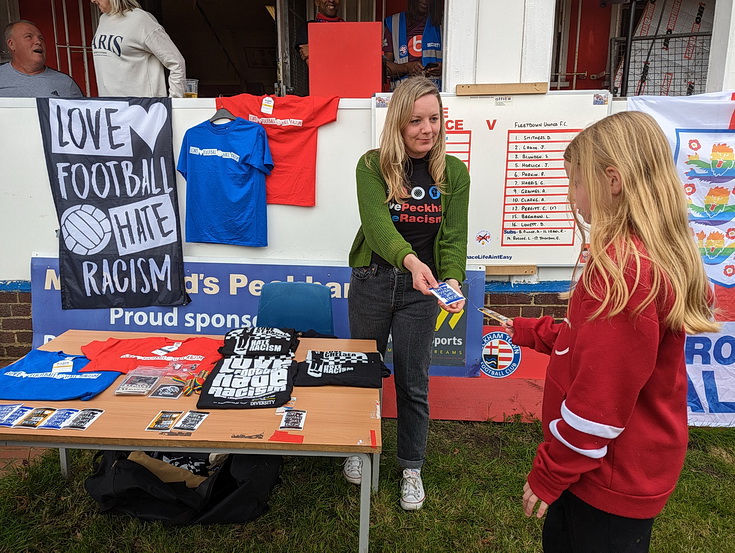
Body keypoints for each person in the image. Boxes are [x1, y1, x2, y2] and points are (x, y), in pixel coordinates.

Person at [501, 111, 719, 552]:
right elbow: (590, 345)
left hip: (604, 478)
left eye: (576, 181)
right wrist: (527, 329)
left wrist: (549, 473)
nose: (572, 195)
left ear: (612, 181)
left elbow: (597, 408)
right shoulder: (641, 258)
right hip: (617, 469)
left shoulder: (623, 273)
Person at [345, 76, 469, 510]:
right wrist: (411, 261)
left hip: (425, 292)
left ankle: (411, 466)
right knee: (364, 373)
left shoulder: (454, 173)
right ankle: (359, 445)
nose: (426, 129)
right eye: (416, 120)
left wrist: (451, 278)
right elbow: (378, 228)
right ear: (398, 122)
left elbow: (453, 236)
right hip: (374, 283)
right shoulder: (371, 165)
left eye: (434, 119)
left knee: (413, 381)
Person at [90, 0, 186, 97]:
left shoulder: (141, 19)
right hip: (110, 107)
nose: (92, 1)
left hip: (142, 108)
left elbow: (176, 62)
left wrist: (174, 102)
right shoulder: (103, 19)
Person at [0, 20, 83, 98]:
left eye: (41, 38)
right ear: (11, 44)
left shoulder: (66, 83)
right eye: (29, 37)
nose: (38, 42)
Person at [383, 0, 443, 91]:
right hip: (403, 94)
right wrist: (406, 67)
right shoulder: (394, 23)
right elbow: (385, 68)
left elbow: (460, 63)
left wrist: (444, 68)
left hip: (435, 93)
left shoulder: (445, 22)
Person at [294, 0, 344, 66]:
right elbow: (314, 66)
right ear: (317, 2)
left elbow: (354, 58)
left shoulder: (350, 30)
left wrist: (315, 51)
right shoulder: (307, 28)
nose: (331, 0)